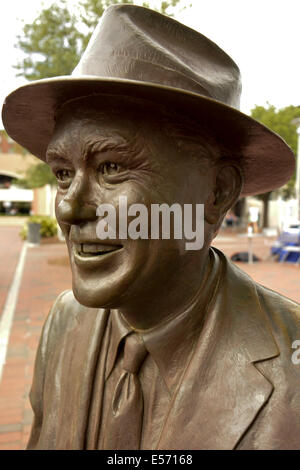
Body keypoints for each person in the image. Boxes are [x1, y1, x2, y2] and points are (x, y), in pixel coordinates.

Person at [2, 5, 300, 450]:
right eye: (63, 173)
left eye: (112, 167)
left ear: (216, 192)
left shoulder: (290, 368)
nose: (69, 209)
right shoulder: (64, 322)